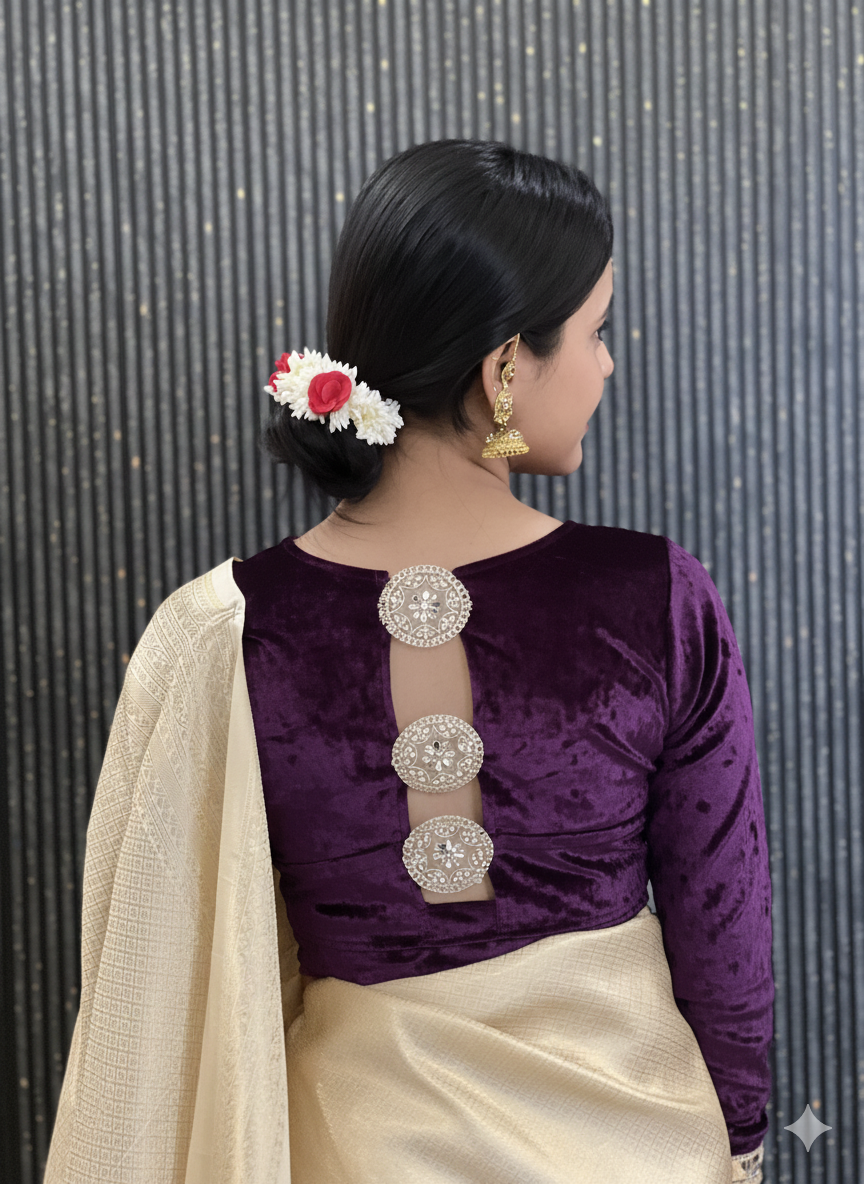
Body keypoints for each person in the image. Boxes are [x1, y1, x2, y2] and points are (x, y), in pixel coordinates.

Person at [44, 139, 772, 1184]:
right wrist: (740, 1141)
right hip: (634, 1147)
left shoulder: (226, 630)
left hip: (352, 1150)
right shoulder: (656, 600)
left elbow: (155, 967)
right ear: (505, 369)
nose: (608, 364)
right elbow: (724, 935)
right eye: (597, 331)